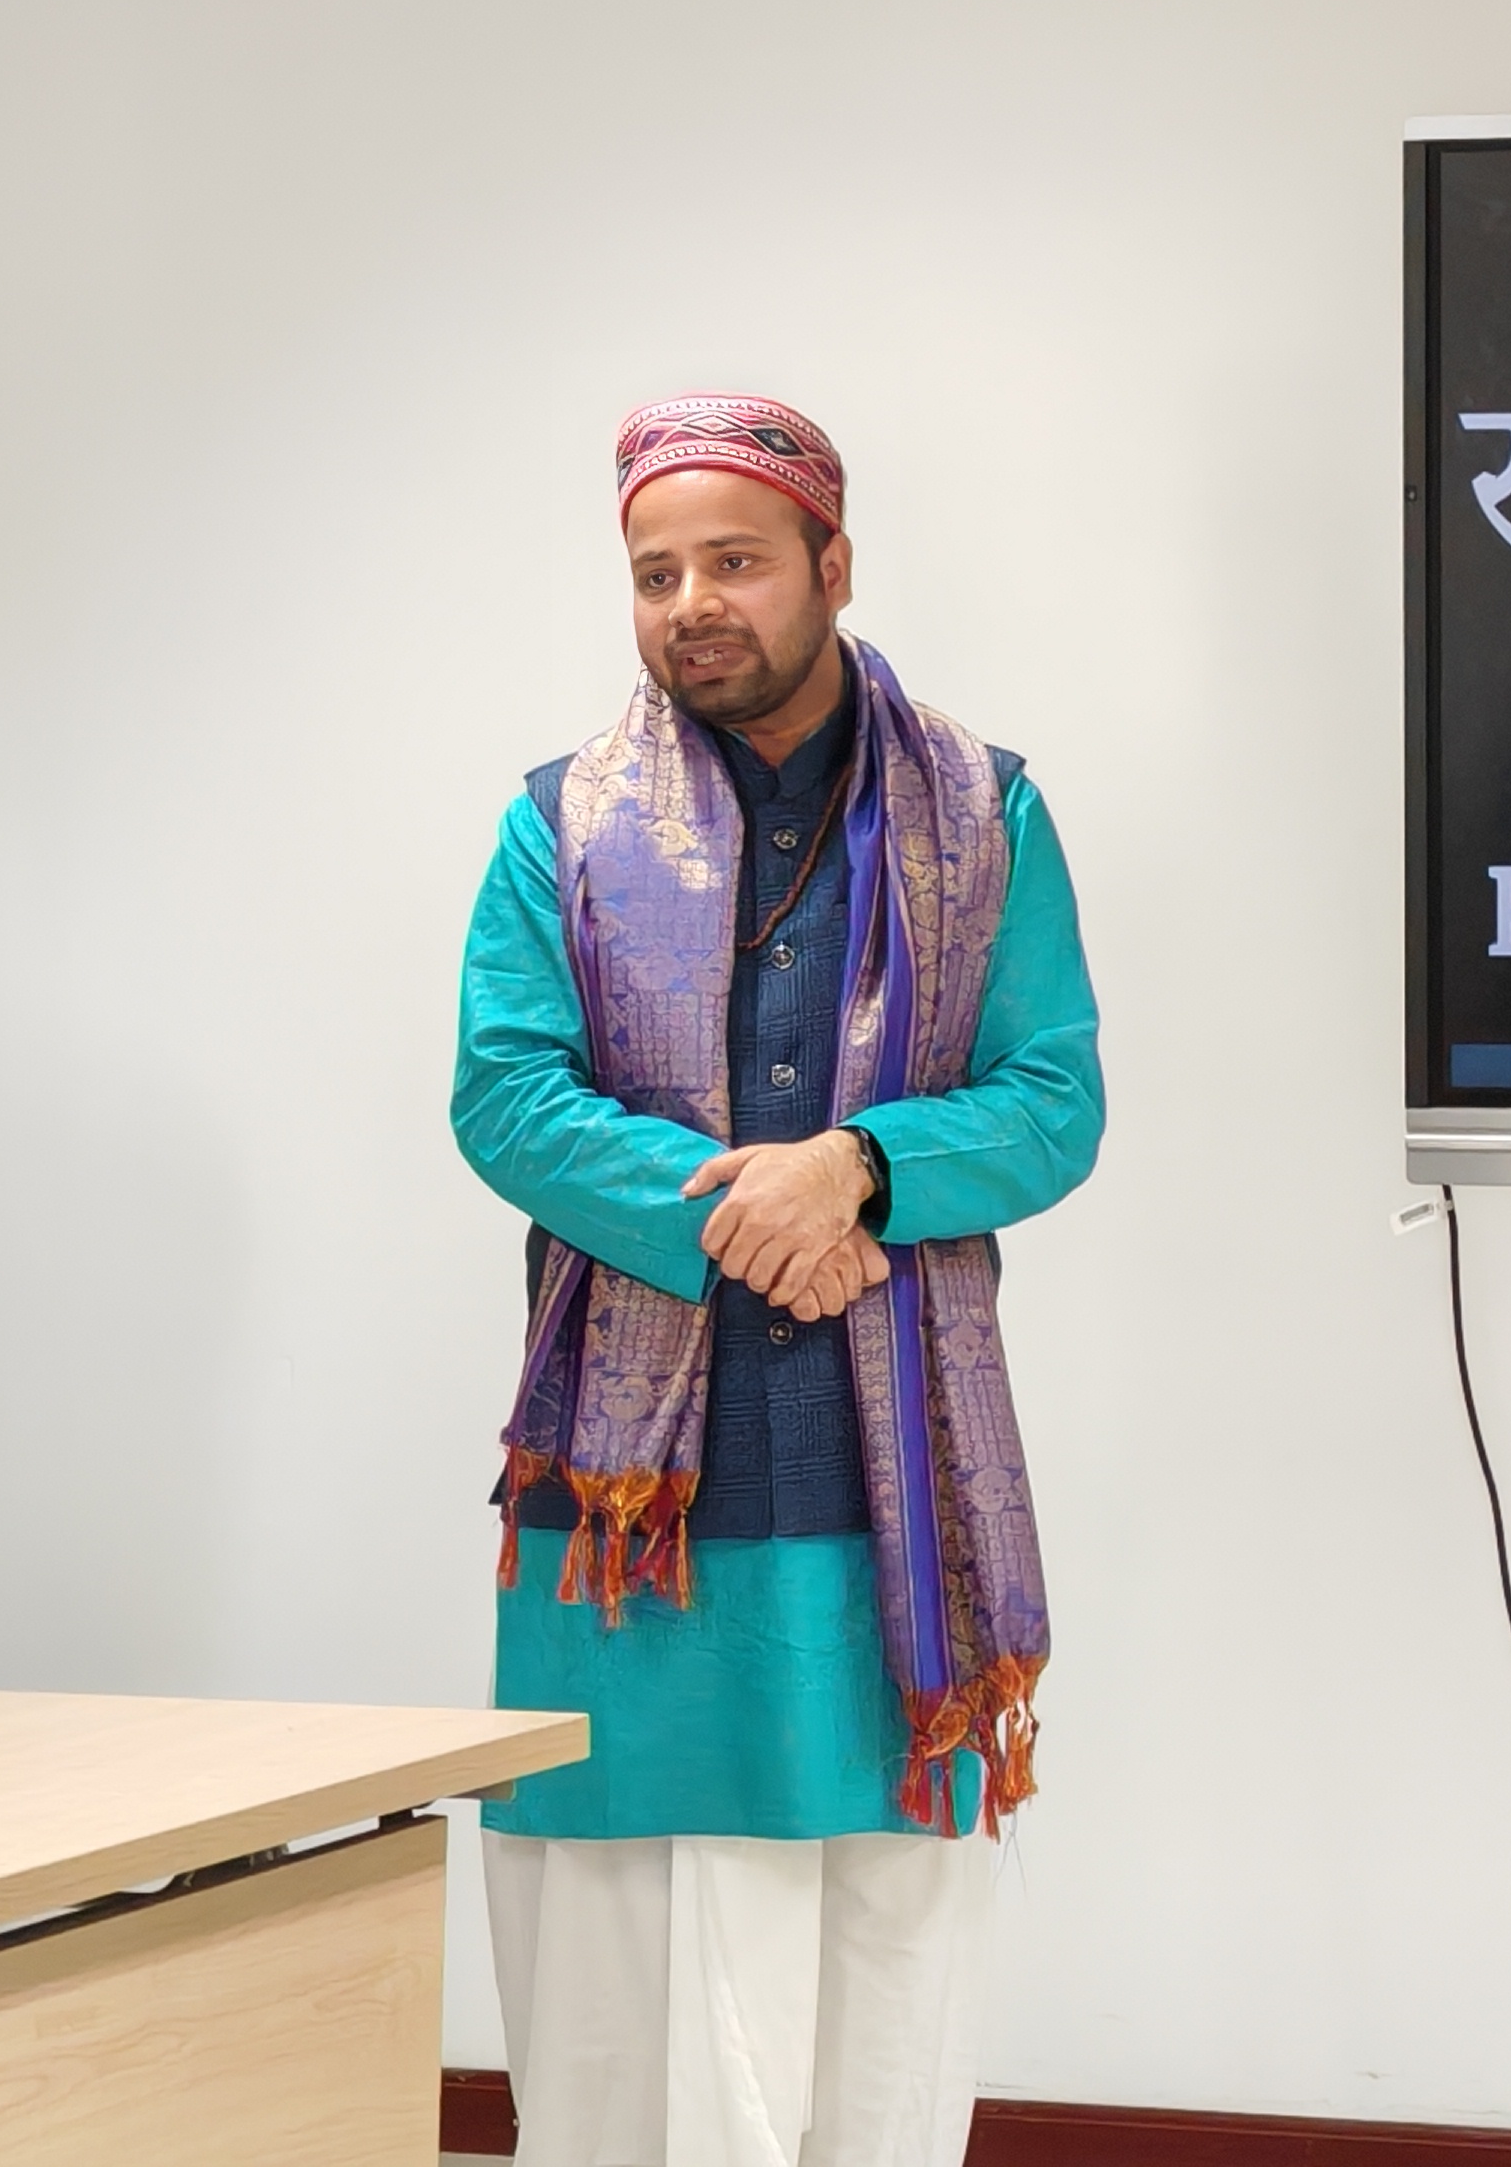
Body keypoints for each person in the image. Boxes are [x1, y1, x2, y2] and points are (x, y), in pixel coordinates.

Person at [452, 392, 1104, 2167]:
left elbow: (1052, 1099)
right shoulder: (559, 823)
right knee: (617, 1972)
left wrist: (860, 1170)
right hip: (629, 1509)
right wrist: (755, 1212)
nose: (693, 606)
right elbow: (506, 1096)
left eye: (734, 561)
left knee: (884, 1956)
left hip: (892, 1482)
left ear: (833, 563)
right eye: (655, 574)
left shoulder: (987, 812)